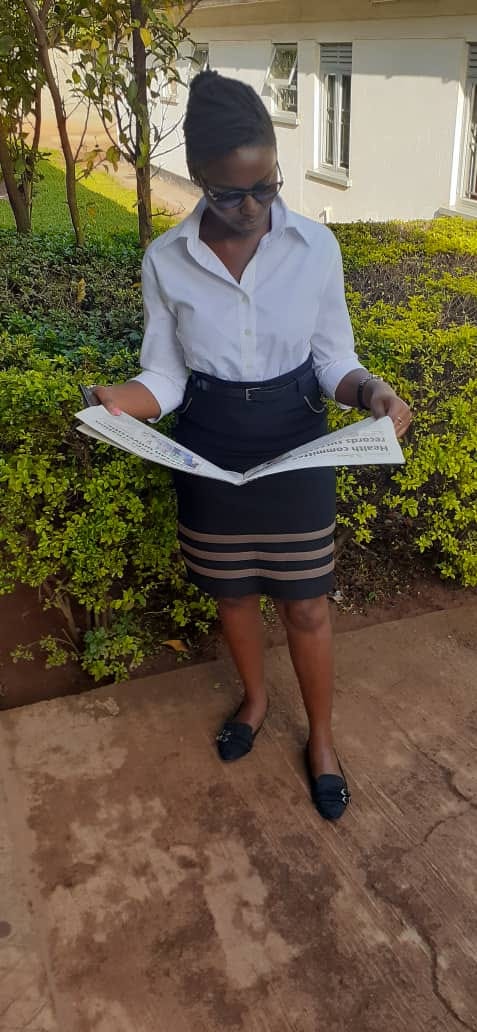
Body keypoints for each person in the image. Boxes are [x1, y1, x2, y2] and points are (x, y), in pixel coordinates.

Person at [94, 71, 412, 821]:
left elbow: (334, 359)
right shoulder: (166, 260)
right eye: (230, 193)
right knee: (232, 593)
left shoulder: (314, 248)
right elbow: (165, 376)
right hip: (207, 446)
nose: (252, 208)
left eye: (265, 186)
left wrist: (373, 395)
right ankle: (255, 700)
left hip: (294, 442)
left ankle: (323, 740)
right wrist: (119, 403)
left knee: (306, 606)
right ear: (199, 177)